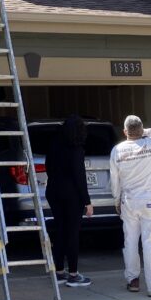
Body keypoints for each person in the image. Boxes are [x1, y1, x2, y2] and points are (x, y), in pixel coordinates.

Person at [110, 115, 151, 298]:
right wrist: (143, 131)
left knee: (130, 241)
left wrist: (117, 200)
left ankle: (133, 280)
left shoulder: (117, 150)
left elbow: (115, 180)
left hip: (128, 201)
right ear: (141, 129)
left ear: (124, 132)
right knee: (149, 244)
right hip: (149, 201)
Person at [45, 115, 94, 287]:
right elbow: (79, 177)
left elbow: (48, 168)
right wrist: (87, 202)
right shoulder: (76, 149)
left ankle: (59, 271)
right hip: (72, 195)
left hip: (53, 191)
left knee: (60, 231)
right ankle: (73, 274)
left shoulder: (53, 145)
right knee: (72, 233)